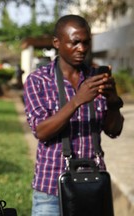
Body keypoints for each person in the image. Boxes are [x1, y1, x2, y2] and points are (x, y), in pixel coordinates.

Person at [23, 15, 124, 216]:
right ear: (57, 43)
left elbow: (114, 131)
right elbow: (41, 131)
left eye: (86, 42)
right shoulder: (38, 80)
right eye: (75, 42)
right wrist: (77, 100)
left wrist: (113, 101)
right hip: (50, 189)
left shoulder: (95, 78)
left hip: (93, 185)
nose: (82, 48)